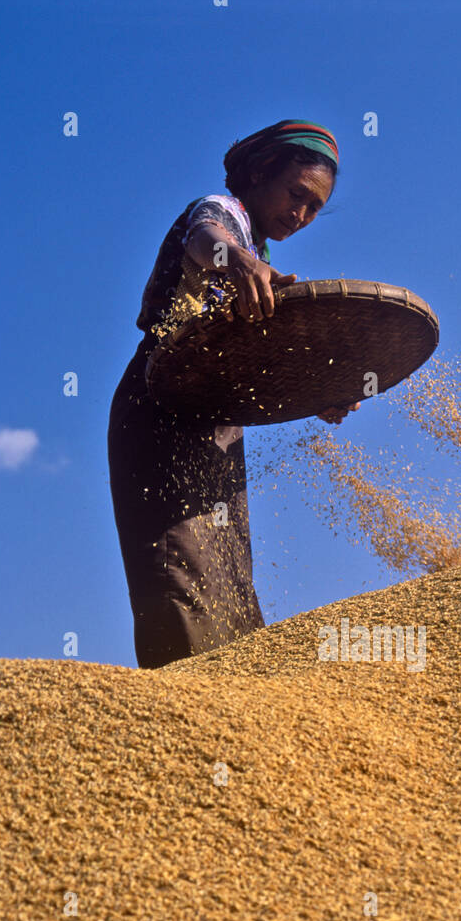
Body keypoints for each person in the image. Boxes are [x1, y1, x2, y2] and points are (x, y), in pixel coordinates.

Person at [107, 119, 359, 669]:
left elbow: (258, 365)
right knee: (179, 569)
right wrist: (239, 259)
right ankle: (186, 721)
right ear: (262, 171)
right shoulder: (225, 216)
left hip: (217, 425)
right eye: (296, 194)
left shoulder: (258, 256)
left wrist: (319, 391)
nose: (301, 214)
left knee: (226, 576)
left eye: (314, 208)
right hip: (161, 407)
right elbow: (205, 240)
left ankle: (237, 723)